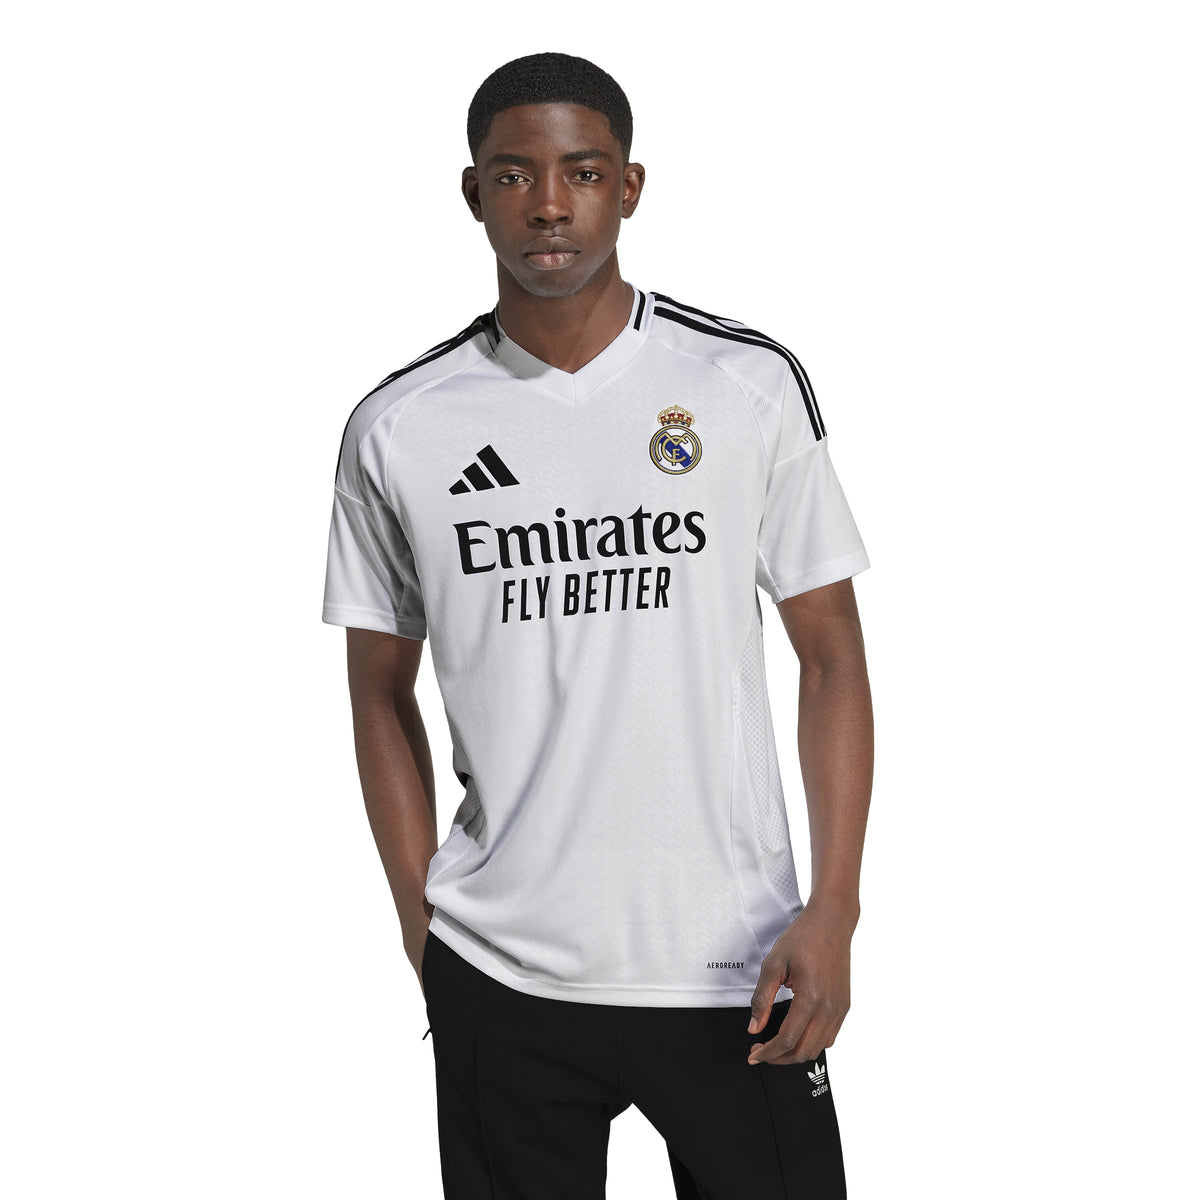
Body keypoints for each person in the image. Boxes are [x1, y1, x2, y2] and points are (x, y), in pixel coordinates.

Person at [322, 51, 873, 1200]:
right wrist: (425, 928)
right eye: (513, 175)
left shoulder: (745, 385)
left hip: (738, 966)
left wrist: (834, 907)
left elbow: (830, 654)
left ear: (629, 187)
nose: (549, 204)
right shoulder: (399, 426)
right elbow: (377, 687)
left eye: (581, 172)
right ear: (473, 193)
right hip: (502, 970)